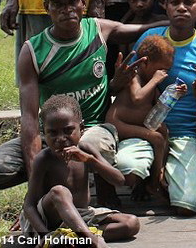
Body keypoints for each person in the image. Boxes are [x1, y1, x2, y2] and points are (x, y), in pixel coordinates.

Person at [0, 0, 162, 203]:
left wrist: (187, 21)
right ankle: (56, 197)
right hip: (53, 135)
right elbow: (30, 120)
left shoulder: (98, 30)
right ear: (47, 7)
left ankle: (97, 199)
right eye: (58, 4)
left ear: (83, 2)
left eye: (73, 1)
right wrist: (36, 191)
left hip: (96, 130)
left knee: (87, 145)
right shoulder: (33, 51)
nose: (67, 9)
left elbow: (144, 28)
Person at [116, 0, 196, 216]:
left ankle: (182, 171)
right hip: (145, 129)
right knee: (128, 167)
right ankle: (149, 173)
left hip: (185, 135)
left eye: (188, 2)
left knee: (189, 204)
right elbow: (131, 86)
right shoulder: (150, 39)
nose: (181, 7)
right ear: (166, 6)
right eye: (175, 2)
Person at [20, 95, 139, 246]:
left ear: (81, 129)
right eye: (53, 133)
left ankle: (74, 236)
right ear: (44, 132)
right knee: (59, 191)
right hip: (49, 220)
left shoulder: (85, 150)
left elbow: (119, 180)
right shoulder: (44, 159)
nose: (61, 138)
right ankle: (88, 239)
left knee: (131, 223)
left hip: (81, 214)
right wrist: (45, 234)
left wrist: (90, 160)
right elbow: (29, 205)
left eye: (68, 130)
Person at [106, 35, 175, 195]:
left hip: (137, 124)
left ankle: (159, 171)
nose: (164, 74)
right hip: (119, 124)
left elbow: (159, 104)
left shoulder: (150, 80)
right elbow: (137, 98)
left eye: (167, 70)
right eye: (161, 69)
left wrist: (175, 93)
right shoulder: (134, 76)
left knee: (164, 131)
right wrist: (155, 80)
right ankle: (154, 181)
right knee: (156, 138)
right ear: (144, 63)